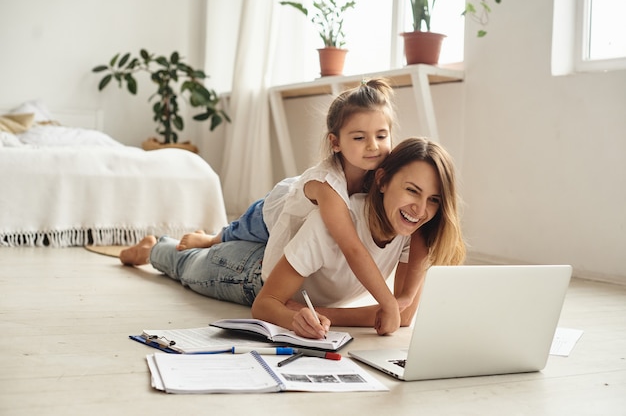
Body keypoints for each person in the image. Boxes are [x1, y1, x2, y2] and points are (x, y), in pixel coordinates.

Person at [119, 137, 466, 338]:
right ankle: (156, 247)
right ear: (382, 180)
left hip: (295, 273)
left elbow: (401, 315)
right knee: (186, 265)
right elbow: (265, 304)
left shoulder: (418, 230)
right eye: (412, 191)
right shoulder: (335, 221)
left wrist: (313, 312)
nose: (421, 209)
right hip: (255, 272)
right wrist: (289, 313)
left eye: (434, 199)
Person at [175, 78, 409, 335]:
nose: (373, 145)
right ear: (335, 143)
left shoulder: (379, 175)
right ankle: (210, 238)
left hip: (301, 229)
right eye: (359, 137)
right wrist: (388, 302)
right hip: (272, 213)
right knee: (234, 232)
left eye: (381, 135)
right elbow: (351, 247)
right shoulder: (328, 187)